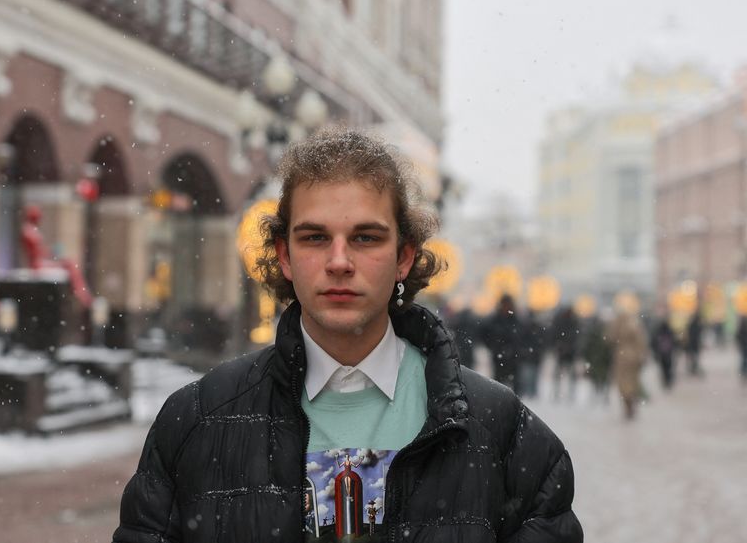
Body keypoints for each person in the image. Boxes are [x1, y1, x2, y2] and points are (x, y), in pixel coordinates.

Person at [113, 128, 582, 543]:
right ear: (285, 256)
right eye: (315, 237)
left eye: (365, 238)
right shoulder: (197, 423)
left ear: (404, 257)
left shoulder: (501, 433)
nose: (339, 261)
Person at [607, 310, 648, 420]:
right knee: (631, 383)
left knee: (623, 383)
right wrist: (642, 355)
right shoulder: (635, 325)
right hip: (633, 358)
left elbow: (610, 338)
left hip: (622, 358)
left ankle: (628, 405)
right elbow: (641, 342)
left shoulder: (618, 326)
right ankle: (630, 404)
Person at [479, 294, 522, 390]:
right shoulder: (494, 320)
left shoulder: (516, 320)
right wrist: (493, 346)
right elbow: (484, 335)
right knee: (498, 386)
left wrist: (517, 349)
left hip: (513, 358)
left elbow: (522, 336)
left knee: (515, 386)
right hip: (498, 358)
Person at [580, 312, 613, 403]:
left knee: (600, 378)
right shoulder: (603, 332)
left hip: (600, 359)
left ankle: (600, 395)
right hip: (599, 359)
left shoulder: (599, 332)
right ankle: (601, 396)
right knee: (600, 379)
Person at [551, 306, 580, 401]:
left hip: (568, 352)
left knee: (569, 375)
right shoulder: (564, 322)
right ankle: (557, 393)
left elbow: (576, 337)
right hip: (563, 352)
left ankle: (568, 394)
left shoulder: (572, 322)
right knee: (560, 374)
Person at [650, 309, 677, 390]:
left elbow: (653, 342)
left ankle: (666, 380)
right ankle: (668, 380)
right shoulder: (669, 329)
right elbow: (674, 340)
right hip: (667, 352)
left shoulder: (657, 330)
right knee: (668, 367)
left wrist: (655, 351)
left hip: (662, 353)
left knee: (664, 368)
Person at [684, 310, 703, 376]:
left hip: (692, 344)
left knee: (692, 357)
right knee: (693, 357)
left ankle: (693, 368)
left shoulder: (691, 324)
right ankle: (693, 368)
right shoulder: (695, 325)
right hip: (693, 344)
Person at [736, 315, 747, 385]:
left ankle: (743, 372)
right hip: (744, 346)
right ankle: (743, 372)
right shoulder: (742, 328)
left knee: (744, 359)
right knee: (744, 359)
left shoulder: (741, 327)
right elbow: (738, 336)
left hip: (743, 346)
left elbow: (737, 336)